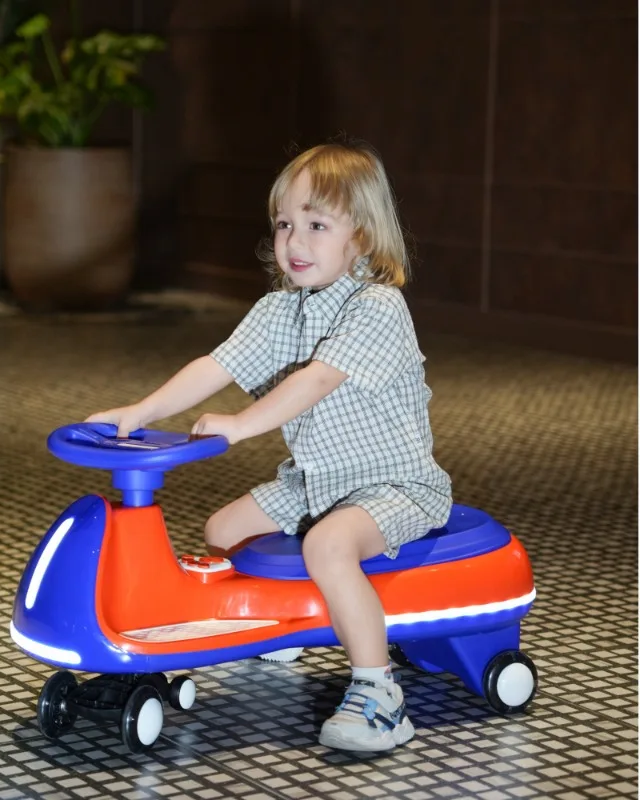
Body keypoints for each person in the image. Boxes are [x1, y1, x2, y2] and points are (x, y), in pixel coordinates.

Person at [86, 140, 452, 752]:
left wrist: (240, 424)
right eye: (284, 224)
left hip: (394, 485)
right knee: (224, 530)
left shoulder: (378, 307)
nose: (294, 241)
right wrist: (141, 411)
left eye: (316, 225)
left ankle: (378, 690)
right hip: (314, 482)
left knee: (328, 545)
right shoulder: (283, 310)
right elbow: (215, 365)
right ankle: (283, 629)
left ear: (362, 237)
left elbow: (317, 381)